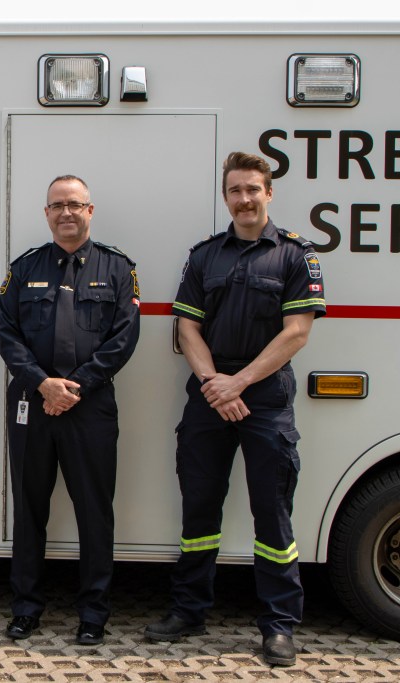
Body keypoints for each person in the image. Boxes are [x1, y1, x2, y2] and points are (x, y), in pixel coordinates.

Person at [144, 152, 326, 667]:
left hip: (264, 396)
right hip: (210, 393)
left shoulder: (296, 256)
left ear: (269, 193)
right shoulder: (205, 256)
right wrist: (213, 384)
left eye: (252, 189)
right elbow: (187, 328)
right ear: (225, 197)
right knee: (199, 507)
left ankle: (279, 626)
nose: (243, 199)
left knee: (272, 511)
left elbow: (297, 333)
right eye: (234, 191)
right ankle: (189, 610)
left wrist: (238, 384)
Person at [0, 175, 140, 644]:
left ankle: (93, 613)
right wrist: (43, 385)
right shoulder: (24, 269)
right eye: (57, 205)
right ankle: (25, 608)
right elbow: (8, 336)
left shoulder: (118, 269)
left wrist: (74, 387)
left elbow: (124, 338)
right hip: (31, 405)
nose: (66, 213)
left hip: (90, 407)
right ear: (46, 213)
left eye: (75, 204)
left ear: (90, 210)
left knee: (94, 512)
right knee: (30, 509)